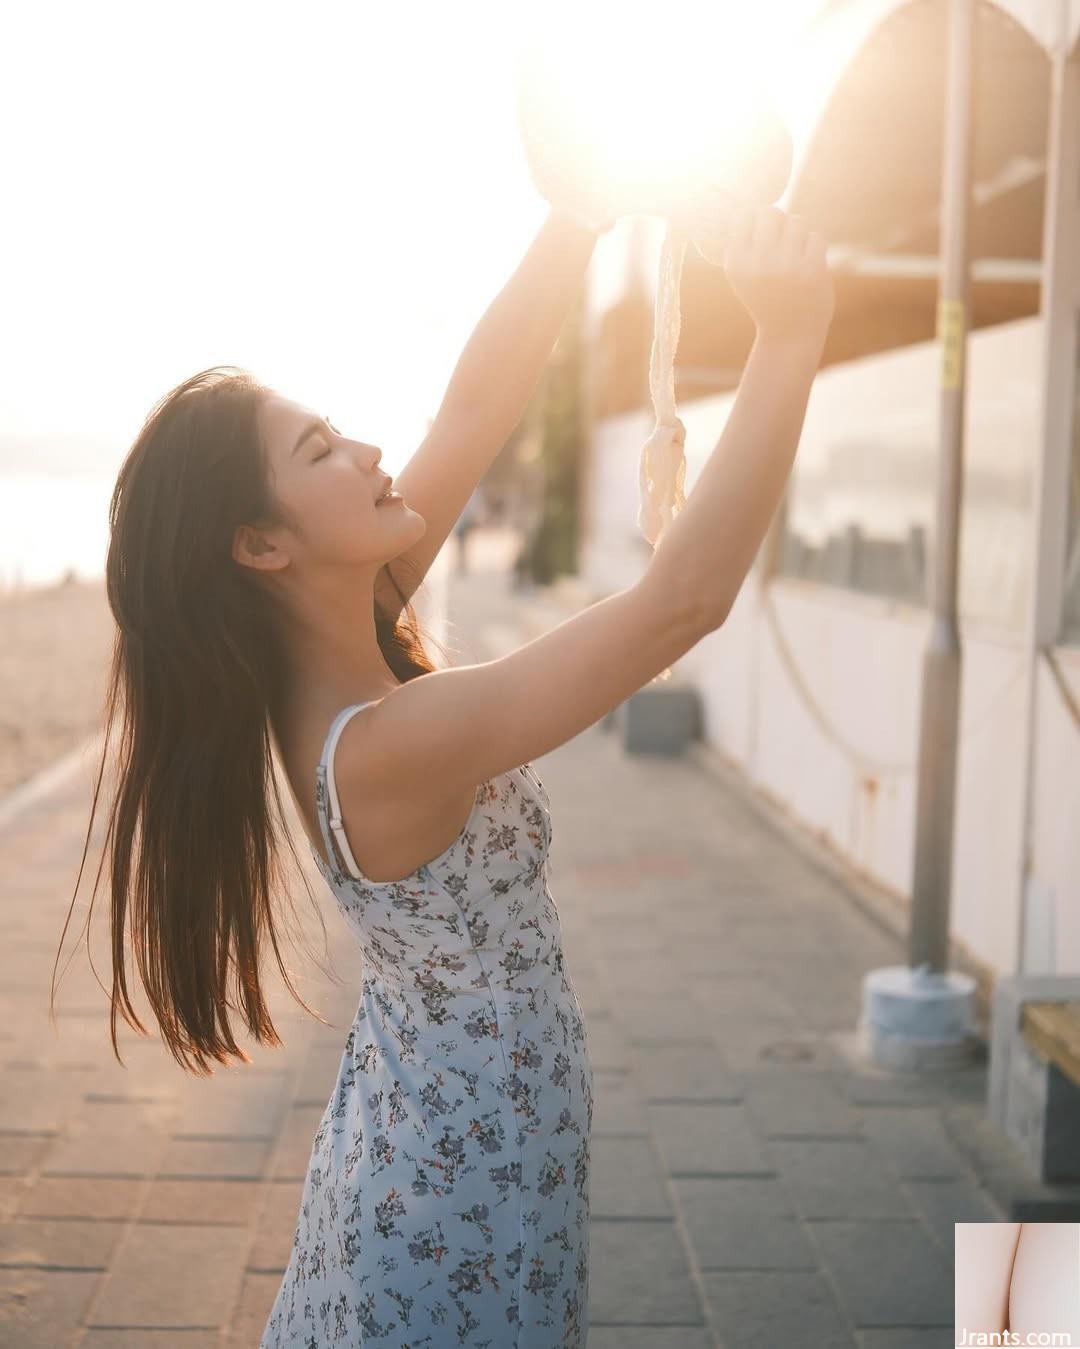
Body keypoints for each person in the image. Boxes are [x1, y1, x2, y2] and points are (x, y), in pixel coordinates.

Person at [57, 202, 833, 1346]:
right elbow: (682, 600)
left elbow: (475, 408)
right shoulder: (391, 740)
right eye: (320, 452)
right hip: (463, 1192)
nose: (368, 452)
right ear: (263, 545)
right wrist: (792, 335)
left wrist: (574, 217)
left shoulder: (339, 643)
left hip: (433, 1136)